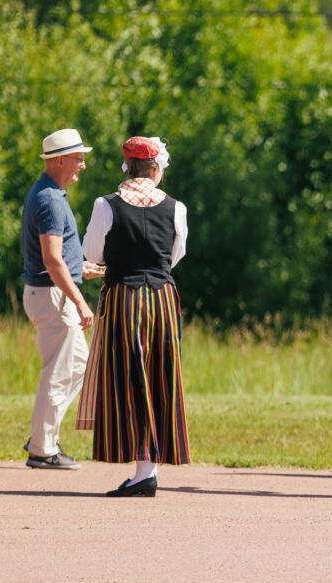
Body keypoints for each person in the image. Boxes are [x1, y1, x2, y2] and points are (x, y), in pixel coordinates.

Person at [82, 136, 190, 497]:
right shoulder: (176, 207)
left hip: (124, 296)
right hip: (162, 298)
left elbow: (92, 252)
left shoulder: (106, 204)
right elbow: (175, 256)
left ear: (127, 166)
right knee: (161, 376)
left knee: (128, 379)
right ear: (156, 169)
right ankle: (148, 469)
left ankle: (144, 471)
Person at [21, 129, 104, 470]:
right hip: (53, 297)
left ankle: (43, 437)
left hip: (49, 292)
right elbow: (52, 260)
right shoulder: (51, 199)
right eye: (79, 158)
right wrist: (81, 303)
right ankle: (42, 449)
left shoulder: (48, 193)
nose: (82, 165)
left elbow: (57, 260)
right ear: (59, 160)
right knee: (58, 372)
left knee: (79, 368)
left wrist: (79, 267)